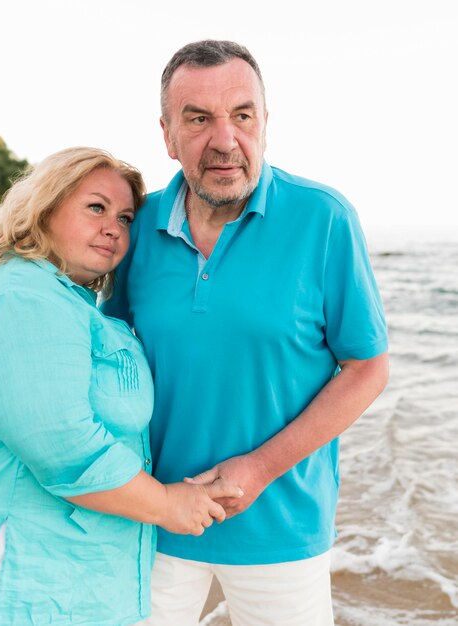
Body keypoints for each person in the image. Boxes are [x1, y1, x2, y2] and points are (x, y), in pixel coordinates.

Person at [102, 41, 390, 626]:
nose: (225, 140)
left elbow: (367, 368)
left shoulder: (324, 219)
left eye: (242, 115)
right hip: (153, 518)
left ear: (265, 122)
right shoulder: (137, 228)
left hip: (280, 528)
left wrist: (257, 468)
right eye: (199, 118)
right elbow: (105, 352)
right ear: (167, 134)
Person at [0, 147, 242, 626]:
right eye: (95, 207)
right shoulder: (22, 297)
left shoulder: (69, 304)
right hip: (3, 571)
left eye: (124, 217)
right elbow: (62, 442)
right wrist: (166, 505)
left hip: (56, 576)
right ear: (44, 208)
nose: (114, 228)